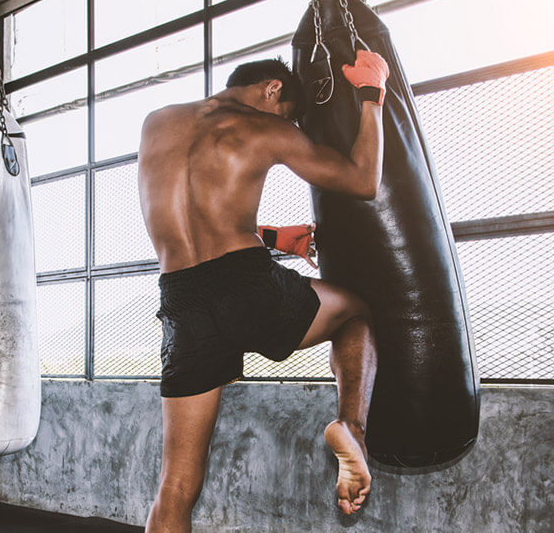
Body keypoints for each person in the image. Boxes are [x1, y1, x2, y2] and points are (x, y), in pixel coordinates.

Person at [137, 50, 389, 533]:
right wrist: (372, 95)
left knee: (175, 486)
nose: (288, 123)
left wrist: (274, 237)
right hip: (246, 284)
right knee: (355, 312)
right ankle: (350, 427)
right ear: (272, 89)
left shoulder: (158, 123)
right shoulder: (265, 127)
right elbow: (363, 180)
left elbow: (187, 211)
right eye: (290, 112)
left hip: (182, 300)